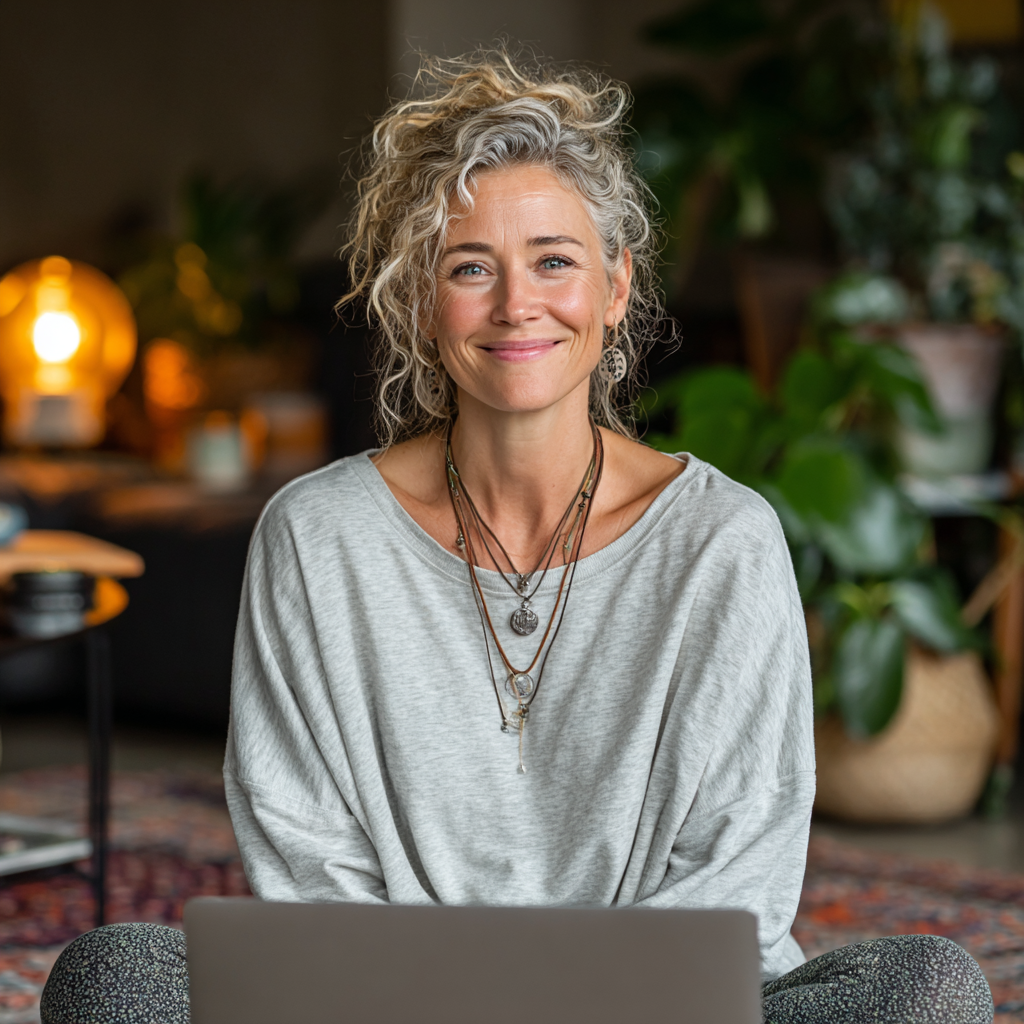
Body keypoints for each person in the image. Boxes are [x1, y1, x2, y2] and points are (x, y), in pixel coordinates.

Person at [42, 52, 993, 1024]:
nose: (515, 305)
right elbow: (307, 879)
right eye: (469, 267)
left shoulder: (723, 542)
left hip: (655, 1016)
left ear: (615, 285)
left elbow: (736, 891)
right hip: (385, 1011)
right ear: (418, 299)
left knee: (928, 989)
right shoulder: (315, 536)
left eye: (553, 259)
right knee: (114, 976)